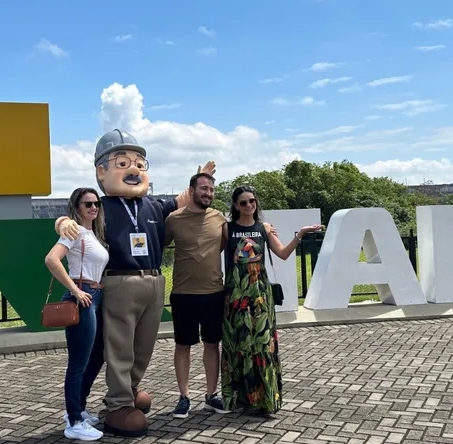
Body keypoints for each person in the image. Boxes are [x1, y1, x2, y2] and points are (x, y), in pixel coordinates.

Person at [54, 128, 216, 437]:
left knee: (144, 347)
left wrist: (198, 180)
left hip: (154, 282)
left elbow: (181, 200)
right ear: (101, 171)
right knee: (119, 348)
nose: (134, 170)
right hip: (118, 284)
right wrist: (61, 222)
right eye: (123, 162)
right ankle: (117, 404)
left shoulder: (153, 206)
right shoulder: (99, 207)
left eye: (140, 164)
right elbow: (72, 218)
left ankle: (129, 390)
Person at [221, 185, 323, 416]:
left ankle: (264, 399)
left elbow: (284, 254)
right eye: (244, 202)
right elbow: (210, 253)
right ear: (236, 206)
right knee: (238, 345)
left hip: (260, 297)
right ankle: (241, 399)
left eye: (252, 201)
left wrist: (302, 233)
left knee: (262, 345)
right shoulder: (227, 229)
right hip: (236, 296)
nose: (249, 205)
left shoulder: (264, 228)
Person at [44, 188, 110, 441]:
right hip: (81, 296)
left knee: (97, 356)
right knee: (78, 365)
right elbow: (51, 259)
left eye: (96, 204)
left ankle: (79, 408)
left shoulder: (93, 233)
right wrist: (74, 290)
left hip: (95, 296)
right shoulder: (75, 232)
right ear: (77, 207)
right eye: (88, 204)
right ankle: (73, 421)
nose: (94, 208)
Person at [163, 172, 230, 418]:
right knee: (183, 346)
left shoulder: (219, 219)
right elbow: (157, 244)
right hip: (183, 294)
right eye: (203, 189)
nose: (208, 194)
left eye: (211, 190)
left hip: (214, 292)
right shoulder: (173, 219)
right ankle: (184, 397)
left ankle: (212, 395)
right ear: (191, 190)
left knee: (213, 345)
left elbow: (224, 245)